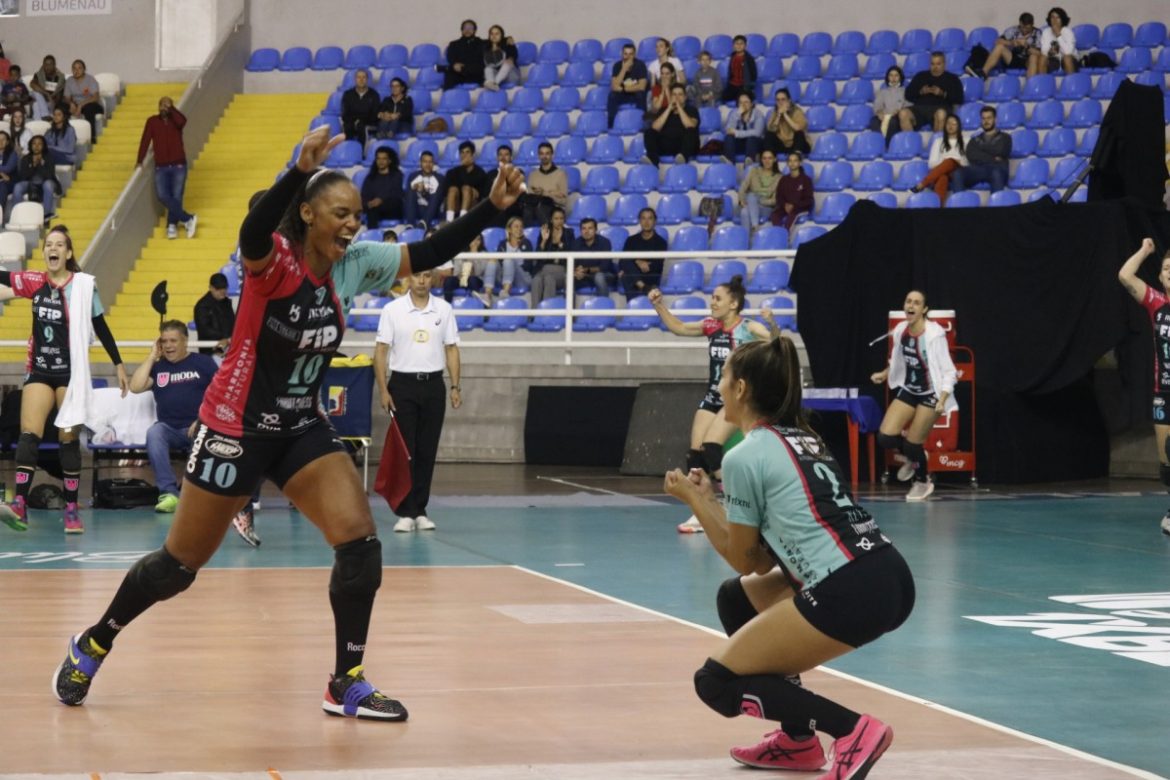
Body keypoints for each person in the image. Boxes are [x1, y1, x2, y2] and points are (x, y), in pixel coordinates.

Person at [47, 125, 524, 718]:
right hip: (235, 427)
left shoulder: (354, 264)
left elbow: (425, 253)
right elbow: (251, 232)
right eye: (340, 214)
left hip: (299, 425)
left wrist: (490, 207)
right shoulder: (274, 261)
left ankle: (346, 681)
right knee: (177, 568)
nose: (352, 225)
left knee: (360, 543)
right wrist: (298, 169)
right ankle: (94, 642)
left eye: (356, 215)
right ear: (307, 214)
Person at [664, 336, 914, 778]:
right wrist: (707, 499)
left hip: (849, 587)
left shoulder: (744, 456)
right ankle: (798, 741)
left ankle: (853, 730)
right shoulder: (805, 438)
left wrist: (695, 501)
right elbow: (761, 564)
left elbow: (745, 559)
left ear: (741, 388)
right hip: (886, 571)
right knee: (736, 599)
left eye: (724, 378)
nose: (718, 387)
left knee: (715, 682)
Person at [0, 226, 128, 534]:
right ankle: (20, 504)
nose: (53, 249)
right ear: (45, 252)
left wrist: (119, 364)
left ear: (68, 253)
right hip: (40, 369)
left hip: (71, 373)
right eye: (49, 244)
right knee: (29, 434)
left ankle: (71, 508)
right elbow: (4, 277)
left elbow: (101, 325)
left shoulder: (82, 286)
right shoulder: (35, 281)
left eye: (59, 245)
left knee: (67, 439)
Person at [649, 277, 776, 534]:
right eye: (712, 298)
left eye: (718, 298)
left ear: (734, 303)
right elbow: (679, 328)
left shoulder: (748, 328)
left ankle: (735, 504)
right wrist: (659, 305)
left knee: (711, 449)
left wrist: (772, 324)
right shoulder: (710, 326)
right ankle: (701, 511)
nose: (713, 302)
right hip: (713, 396)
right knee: (695, 455)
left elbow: (775, 341)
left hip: (736, 398)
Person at [374, 269, 462, 533]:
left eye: (426, 276)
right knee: (406, 451)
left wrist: (455, 386)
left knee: (426, 450)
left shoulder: (444, 309)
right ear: (407, 279)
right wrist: (383, 390)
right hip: (402, 385)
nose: (421, 281)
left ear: (432, 279)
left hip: (434, 385)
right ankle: (405, 511)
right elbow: (381, 351)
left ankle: (420, 509)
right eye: (416, 276)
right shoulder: (392, 310)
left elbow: (451, 348)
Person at [871, 290, 958, 501]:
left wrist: (942, 399)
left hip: (932, 393)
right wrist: (884, 374)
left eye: (917, 303)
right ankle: (914, 456)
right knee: (885, 437)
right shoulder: (901, 330)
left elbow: (950, 371)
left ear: (924, 309)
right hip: (910, 389)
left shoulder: (935, 335)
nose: (911, 306)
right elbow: (898, 360)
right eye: (908, 301)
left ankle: (922, 481)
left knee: (912, 444)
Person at [129, 321, 219, 515]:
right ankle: (169, 494)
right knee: (155, 432)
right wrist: (152, 356)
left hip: (200, 426)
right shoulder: (159, 367)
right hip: (170, 429)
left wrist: (203, 419)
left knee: (205, 434)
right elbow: (135, 387)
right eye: (164, 341)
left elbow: (221, 395)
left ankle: (194, 493)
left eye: (173, 341)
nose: (168, 345)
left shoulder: (203, 363)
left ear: (185, 341)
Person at [1117, 238, 1170, 535]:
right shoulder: (1156, 303)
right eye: (1166, 268)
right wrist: (1145, 251)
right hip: (1164, 392)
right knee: (1167, 459)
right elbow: (1125, 276)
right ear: (1160, 276)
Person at [136, 96, 197, 240]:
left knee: (177, 196)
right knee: (163, 195)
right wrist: (139, 160)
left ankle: (171, 226)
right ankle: (188, 218)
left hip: (179, 164)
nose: (164, 107)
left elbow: (183, 121)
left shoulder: (176, 120)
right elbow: (145, 140)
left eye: (167, 105)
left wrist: (172, 109)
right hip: (161, 166)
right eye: (162, 105)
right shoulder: (152, 121)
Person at [900, 52, 964, 133]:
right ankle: (910, 140)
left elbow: (959, 98)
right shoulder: (920, 76)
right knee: (903, 113)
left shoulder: (952, 78)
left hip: (941, 108)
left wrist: (942, 94)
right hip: (920, 108)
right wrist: (920, 92)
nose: (935, 67)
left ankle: (938, 140)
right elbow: (908, 95)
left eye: (938, 64)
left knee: (941, 114)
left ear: (944, 64)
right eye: (932, 64)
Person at [910, 113, 966, 204]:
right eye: (948, 123)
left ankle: (922, 184)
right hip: (942, 171)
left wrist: (955, 161)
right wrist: (944, 162)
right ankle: (939, 206)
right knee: (942, 177)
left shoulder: (965, 141)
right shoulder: (938, 141)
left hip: (958, 171)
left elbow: (967, 162)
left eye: (954, 124)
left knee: (950, 161)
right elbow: (931, 164)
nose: (950, 126)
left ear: (958, 126)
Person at [953, 106, 1011, 194]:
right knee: (958, 173)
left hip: (998, 168)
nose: (986, 121)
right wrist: (993, 158)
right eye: (983, 118)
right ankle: (959, 201)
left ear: (995, 119)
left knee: (996, 173)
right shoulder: (975, 139)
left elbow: (1001, 151)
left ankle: (997, 202)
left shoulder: (1005, 137)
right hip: (978, 169)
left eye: (989, 118)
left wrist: (981, 151)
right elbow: (971, 155)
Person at [643, 84, 699, 166]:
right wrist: (669, 109)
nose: (677, 97)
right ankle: (653, 159)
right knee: (649, 132)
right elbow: (654, 127)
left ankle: (683, 158)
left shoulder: (692, 110)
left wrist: (679, 107)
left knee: (691, 131)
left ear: (685, 97)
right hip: (667, 144)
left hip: (683, 144)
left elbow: (691, 125)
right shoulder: (664, 110)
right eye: (674, 95)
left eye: (680, 94)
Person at [973, 12, 1042, 79]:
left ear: (1032, 25)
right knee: (999, 47)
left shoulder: (1037, 33)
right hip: (1013, 58)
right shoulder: (1013, 30)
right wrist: (1012, 43)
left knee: (1034, 57)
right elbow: (997, 41)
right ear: (1020, 23)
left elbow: (1039, 53)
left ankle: (1031, 83)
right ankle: (983, 73)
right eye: (1023, 27)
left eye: (1027, 28)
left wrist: (1026, 46)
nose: (1025, 30)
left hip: (1027, 61)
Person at [619, 208, 667, 299]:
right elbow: (622, 261)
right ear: (639, 221)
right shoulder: (631, 240)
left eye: (650, 218)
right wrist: (638, 262)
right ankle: (643, 287)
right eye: (643, 218)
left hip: (650, 277)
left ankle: (633, 305)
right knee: (626, 272)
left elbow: (657, 266)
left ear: (655, 221)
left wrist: (634, 263)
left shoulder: (661, 242)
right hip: (635, 275)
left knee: (627, 275)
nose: (646, 222)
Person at [532, 206, 574, 309]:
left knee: (545, 273)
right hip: (545, 271)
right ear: (551, 220)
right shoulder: (545, 232)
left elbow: (571, 253)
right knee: (538, 279)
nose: (559, 221)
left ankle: (546, 313)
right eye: (556, 218)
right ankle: (535, 313)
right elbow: (537, 255)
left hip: (561, 270)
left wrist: (560, 243)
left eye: (561, 218)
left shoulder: (569, 233)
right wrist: (544, 241)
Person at [13, 134, 58, 219]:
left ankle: (46, 214)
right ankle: (18, 215)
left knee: (48, 184)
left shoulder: (49, 157)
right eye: (34, 143)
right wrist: (33, 165)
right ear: (30, 145)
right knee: (18, 186)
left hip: (46, 182)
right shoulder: (26, 158)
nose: (36, 146)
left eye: (39, 144)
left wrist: (41, 165)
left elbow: (49, 176)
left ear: (43, 146)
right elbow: (23, 177)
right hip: (30, 183)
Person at [523, 140, 568, 225]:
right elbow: (530, 196)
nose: (544, 156)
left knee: (541, 208)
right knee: (527, 210)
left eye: (547, 153)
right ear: (538, 155)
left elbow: (563, 201)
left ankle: (549, 232)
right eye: (541, 153)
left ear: (552, 155)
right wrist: (553, 193)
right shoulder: (533, 175)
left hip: (553, 208)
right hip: (534, 207)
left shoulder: (561, 174)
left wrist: (545, 193)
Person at [738, 149, 781, 235]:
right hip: (752, 202)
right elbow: (742, 188)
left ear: (774, 159)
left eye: (770, 158)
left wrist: (759, 201)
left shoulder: (779, 177)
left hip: (766, 208)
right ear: (761, 160)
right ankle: (754, 229)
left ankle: (752, 231)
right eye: (764, 158)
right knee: (744, 211)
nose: (767, 161)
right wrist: (741, 200)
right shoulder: (754, 171)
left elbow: (775, 200)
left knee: (751, 198)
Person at [607, 43, 648, 129]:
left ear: (634, 55)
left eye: (630, 54)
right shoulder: (617, 66)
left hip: (634, 93)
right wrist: (624, 69)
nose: (628, 57)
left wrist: (623, 89)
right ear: (622, 54)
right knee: (612, 96)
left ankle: (642, 124)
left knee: (641, 95)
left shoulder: (640, 65)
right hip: (622, 94)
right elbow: (614, 86)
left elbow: (642, 86)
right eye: (625, 54)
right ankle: (611, 124)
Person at [444, 140, 488, 222]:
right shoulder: (452, 172)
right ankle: (449, 221)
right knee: (453, 189)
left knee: (466, 188)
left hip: (472, 206)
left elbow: (482, 194)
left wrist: (473, 191)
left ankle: (462, 220)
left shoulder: (480, 173)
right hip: (456, 205)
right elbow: (447, 190)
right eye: (462, 152)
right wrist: (462, 169)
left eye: (467, 152)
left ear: (472, 155)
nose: (464, 155)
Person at [770, 152, 813, 234]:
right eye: (790, 160)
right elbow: (779, 197)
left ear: (800, 163)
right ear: (787, 163)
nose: (792, 163)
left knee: (792, 215)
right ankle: (779, 234)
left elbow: (809, 200)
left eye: (795, 160)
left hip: (800, 208)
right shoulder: (783, 179)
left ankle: (786, 235)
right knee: (774, 215)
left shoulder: (806, 180)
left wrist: (794, 205)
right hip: (785, 207)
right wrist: (785, 205)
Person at [193, 272, 235, 355]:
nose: (222, 291)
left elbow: (232, 324)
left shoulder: (227, 302)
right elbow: (204, 330)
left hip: (228, 348)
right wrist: (226, 338)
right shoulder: (202, 306)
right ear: (211, 288)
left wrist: (229, 339)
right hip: (211, 351)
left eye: (224, 287)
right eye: (218, 288)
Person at [361, 146, 404, 226]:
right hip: (374, 209)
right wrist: (368, 203)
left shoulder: (397, 175)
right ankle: (372, 232)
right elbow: (364, 195)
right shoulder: (371, 177)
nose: (381, 161)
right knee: (371, 208)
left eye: (384, 159)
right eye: (378, 159)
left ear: (389, 161)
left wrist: (381, 200)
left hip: (393, 208)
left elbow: (396, 194)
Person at [572, 217, 615, 297]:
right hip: (583, 275)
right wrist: (576, 271)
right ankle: (569, 305)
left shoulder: (605, 242)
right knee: (569, 277)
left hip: (605, 274)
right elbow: (573, 264)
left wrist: (586, 270)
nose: (586, 231)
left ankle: (603, 304)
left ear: (595, 230)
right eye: (584, 228)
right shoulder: (576, 243)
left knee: (599, 276)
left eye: (590, 228)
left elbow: (604, 267)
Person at [442, 232, 489, 303]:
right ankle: (447, 304)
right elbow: (456, 272)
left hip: (476, 279)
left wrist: (474, 254)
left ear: (481, 241)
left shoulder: (483, 254)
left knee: (472, 280)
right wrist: (460, 275)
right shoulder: (461, 253)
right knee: (449, 281)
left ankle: (477, 304)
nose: (475, 242)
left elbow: (480, 272)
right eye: (473, 239)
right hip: (461, 278)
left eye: (478, 239)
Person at [762, 89, 809, 157]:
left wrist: (785, 115)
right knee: (769, 135)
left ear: (789, 101)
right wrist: (778, 116)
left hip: (797, 144)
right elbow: (771, 130)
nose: (780, 102)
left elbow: (798, 128)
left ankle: (796, 158)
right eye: (778, 100)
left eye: (783, 99)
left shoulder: (797, 111)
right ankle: (770, 158)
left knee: (799, 134)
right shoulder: (775, 112)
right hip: (783, 144)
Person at [403, 150, 444, 229]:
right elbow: (407, 197)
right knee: (410, 192)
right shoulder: (413, 176)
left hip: (432, 210)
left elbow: (439, 198)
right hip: (417, 209)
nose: (427, 165)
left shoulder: (440, 178)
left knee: (435, 195)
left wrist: (424, 192)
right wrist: (414, 189)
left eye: (430, 162)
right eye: (425, 162)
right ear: (420, 163)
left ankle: (424, 223)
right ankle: (410, 224)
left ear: (433, 164)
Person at [496, 214, 533, 299]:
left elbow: (528, 266)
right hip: (505, 275)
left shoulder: (527, 243)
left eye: (521, 226)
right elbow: (500, 262)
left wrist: (513, 266)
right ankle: (487, 294)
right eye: (516, 226)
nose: (519, 229)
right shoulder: (502, 244)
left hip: (522, 278)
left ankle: (505, 293)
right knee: (493, 261)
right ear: (509, 229)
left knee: (509, 260)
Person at [870, 65, 909, 145]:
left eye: (896, 75)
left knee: (893, 122)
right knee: (874, 121)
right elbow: (877, 105)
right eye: (891, 75)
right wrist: (879, 113)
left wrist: (899, 111)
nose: (893, 78)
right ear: (888, 78)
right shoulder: (882, 92)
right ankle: (878, 144)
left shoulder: (906, 92)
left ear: (900, 77)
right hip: (884, 116)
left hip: (897, 116)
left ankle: (888, 145)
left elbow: (908, 106)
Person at [722, 92, 765, 163]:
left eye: (746, 102)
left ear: (751, 104)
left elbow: (757, 133)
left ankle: (749, 162)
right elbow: (728, 130)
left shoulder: (758, 114)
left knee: (751, 138)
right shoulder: (735, 113)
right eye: (740, 102)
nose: (743, 105)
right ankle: (729, 162)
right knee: (729, 138)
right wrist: (738, 115)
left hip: (755, 144)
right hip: (740, 143)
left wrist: (737, 133)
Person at [63, 59, 103, 135]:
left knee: (89, 109)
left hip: (90, 104)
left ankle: (91, 136)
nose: (76, 71)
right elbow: (66, 97)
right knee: (62, 107)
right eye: (74, 68)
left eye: (79, 68)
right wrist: (70, 103)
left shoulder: (90, 79)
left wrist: (81, 105)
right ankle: (66, 134)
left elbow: (95, 97)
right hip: (76, 104)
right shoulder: (69, 81)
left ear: (84, 69)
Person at [443, 19, 485, 90]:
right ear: (462, 30)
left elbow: (496, 41)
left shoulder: (481, 43)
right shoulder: (454, 44)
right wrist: (454, 64)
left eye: (470, 28)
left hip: (475, 73)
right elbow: (451, 57)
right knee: (449, 72)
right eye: (465, 28)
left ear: (475, 30)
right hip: (459, 73)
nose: (467, 30)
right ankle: (448, 96)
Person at [340, 69, 380, 142]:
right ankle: (349, 148)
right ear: (355, 79)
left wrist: (360, 121)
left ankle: (362, 149)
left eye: (364, 77)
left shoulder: (374, 95)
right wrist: (355, 121)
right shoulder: (348, 94)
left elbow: (375, 114)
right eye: (359, 77)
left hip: (368, 123)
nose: (361, 80)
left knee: (361, 126)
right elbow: (345, 114)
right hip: (352, 122)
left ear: (367, 79)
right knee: (347, 126)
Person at [1038, 7, 1078, 75]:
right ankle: (1042, 81)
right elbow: (1044, 51)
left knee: (1067, 58)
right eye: (1052, 17)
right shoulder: (1046, 32)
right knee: (1042, 58)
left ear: (1062, 19)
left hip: (1070, 60)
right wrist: (1050, 52)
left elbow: (1068, 52)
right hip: (1053, 60)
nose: (1055, 20)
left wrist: (1058, 36)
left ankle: (1071, 81)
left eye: (1058, 17)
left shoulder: (1068, 31)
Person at [720, 35, 757, 103]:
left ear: (745, 46)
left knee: (741, 100)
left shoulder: (749, 59)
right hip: (732, 85)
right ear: (733, 45)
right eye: (737, 43)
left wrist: (749, 88)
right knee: (723, 97)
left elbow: (753, 75)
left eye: (741, 43)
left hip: (743, 86)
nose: (739, 46)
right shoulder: (732, 56)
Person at [482, 24, 520, 91]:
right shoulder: (485, 46)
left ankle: (494, 84)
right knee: (487, 68)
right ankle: (491, 84)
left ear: (501, 35)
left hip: (510, 76)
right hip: (496, 76)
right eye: (492, 34)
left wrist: (507, 38)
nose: (494, 36)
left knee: (507, 64)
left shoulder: (508, 44)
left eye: (497, 34)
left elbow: (513, 56)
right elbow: (478, 41)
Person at [29, 54, 65, 120]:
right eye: (46, 64)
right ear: (43, 65)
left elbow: (59, 98)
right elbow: (32, 84)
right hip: (42, 99)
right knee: (36, 93)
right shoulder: (39, 74)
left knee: (36, 104)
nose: (48, 67)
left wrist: (49, 99)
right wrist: (46, 94)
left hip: (51, 103)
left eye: (50, 64)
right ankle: (45, 116)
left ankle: (44, 116)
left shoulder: (59, 78)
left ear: (54, 65)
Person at [0, 130, 18, 222]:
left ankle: (0, 216)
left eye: (3, 139)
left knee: (2, 186)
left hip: (10, 182)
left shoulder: (12, 154)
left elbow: (8, 169)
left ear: (7, 142)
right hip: (3, 179)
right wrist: (1, 173)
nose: (0, 142)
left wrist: (3, 174)